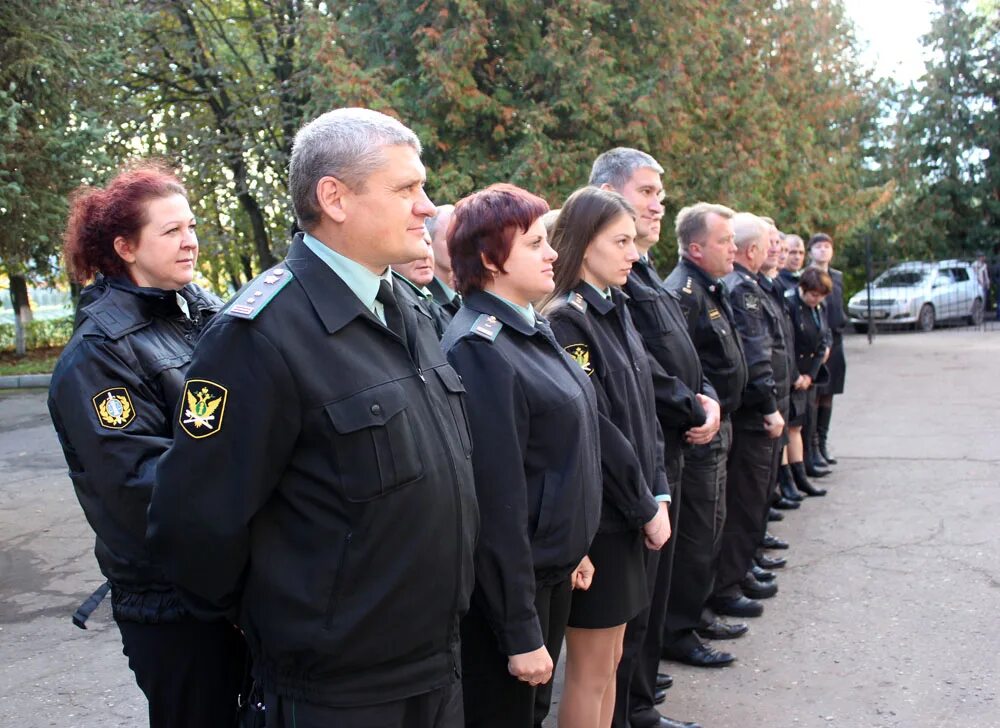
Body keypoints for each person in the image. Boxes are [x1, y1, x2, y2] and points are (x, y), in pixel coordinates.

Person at [147, 108, 479, 728]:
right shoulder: (259, 334)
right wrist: (286, 624)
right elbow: (193, 522)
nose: (428, 207)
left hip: (434, 664)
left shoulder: (403, 305)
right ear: (335, 198)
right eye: (407, 189)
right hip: (338, 689)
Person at [47, 162, 246, 727]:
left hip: (231, 586)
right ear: (126, 247)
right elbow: (143, 487)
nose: (190, 242)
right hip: (174, 603)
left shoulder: (201, 312)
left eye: (191, 226)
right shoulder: (99, 354)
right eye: (170, 231)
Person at [440, 183, 602, 728]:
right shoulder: (480, 348)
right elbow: (497, 501)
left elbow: (557, 453)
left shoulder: (527, 328)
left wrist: (572, 543)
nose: (553, 253)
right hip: (511, 591)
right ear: (490, 259)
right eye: (535, 243)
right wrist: (519, 631)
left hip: (548, 572)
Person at [591, 147, 717, 728]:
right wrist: (691, 405)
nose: (658, 203)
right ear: (612, 194)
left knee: (652, 594)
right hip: (646, 453)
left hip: (667, 450)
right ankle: (632, 707)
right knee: (633, 606)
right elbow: (640, 373)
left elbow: (679, 350)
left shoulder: (638, 270)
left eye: (660, 194)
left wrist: (705, 395)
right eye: (646, 191)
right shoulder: (598, 291)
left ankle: (638, 698)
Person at [542, 186, 672, 728]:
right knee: (592, 669)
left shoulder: (615, 309)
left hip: (636, 506)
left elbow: (645, 412)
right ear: (584, 243)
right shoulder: (568, 321)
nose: (633, 253)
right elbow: (598, 429)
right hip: (605, 518)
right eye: (620, 241)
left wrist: (659, 489)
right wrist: (644, 505)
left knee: (614, 660)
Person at [660, 202, 748, 670]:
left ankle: (699, 613)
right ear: (696, 247)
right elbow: (684, 369)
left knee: (711, 527)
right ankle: (680, 630)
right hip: (698, 432)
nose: (732, 248)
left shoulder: (709, 288)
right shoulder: (684, 292)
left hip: (720, 421)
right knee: (695, 536)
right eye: (723, 241)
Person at [710, 213, 786, 620]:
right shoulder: (741, 289)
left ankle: (743, 566)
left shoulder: (750, 285)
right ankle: (729, 581)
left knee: (754, 497)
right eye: (768, 243)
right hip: (754, 414)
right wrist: (770, 405)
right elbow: (756, 356)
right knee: (744, 500)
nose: (773, 250)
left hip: (762, 410)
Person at [783, 267, 834, 498]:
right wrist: (796, 376)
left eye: (821, 296)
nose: (817, 300)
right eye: (813, 295)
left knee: (797, 427)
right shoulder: (791, 305)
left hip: (807, 376)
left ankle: (800, 476)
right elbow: (786, 343)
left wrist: (811, 375)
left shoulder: (818, 308)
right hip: (791, 376)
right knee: (788, 427)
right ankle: (788, 481)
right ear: (802, 289)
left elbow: (822, 341)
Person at [808, 233, 846, 469]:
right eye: (818, 247)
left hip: (836, 339)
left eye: (827, 247)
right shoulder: (807, 276)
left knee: (829, 394)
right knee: (815, 396)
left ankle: (822, 443)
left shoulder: (837, 277)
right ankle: (812, 446)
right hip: (816, 343)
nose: (823, 251)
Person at [392, 226, 452, 337]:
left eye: (427, 244)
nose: (425, 254)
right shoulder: (391, 313)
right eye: (412, 245)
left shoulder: (437, 308)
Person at [426, 203, 461, 318]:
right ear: (429, 241)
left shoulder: (470, 294)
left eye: (462, 237)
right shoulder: (425, 301)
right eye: (450, 238)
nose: (458, 245)